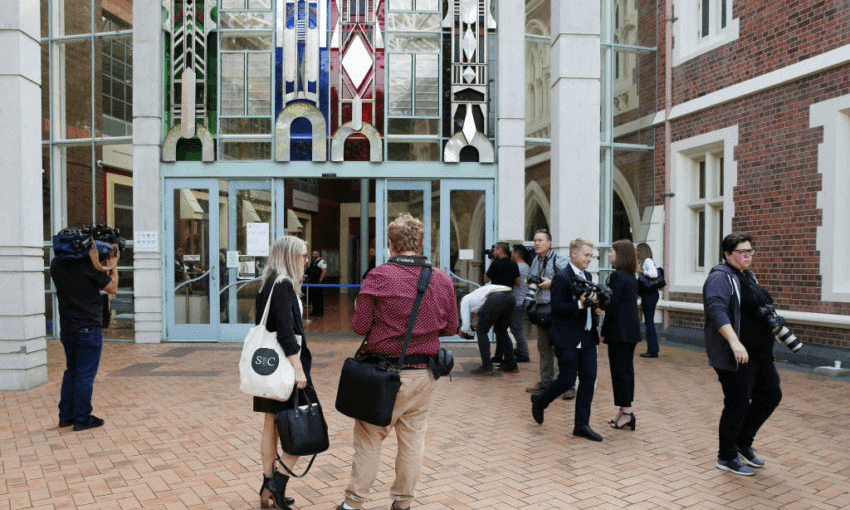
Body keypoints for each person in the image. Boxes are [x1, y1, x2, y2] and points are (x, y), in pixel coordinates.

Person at [337, 214, 457, 510]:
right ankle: (402, 502)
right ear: (419, 243)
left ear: (391, 244)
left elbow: (360, 325)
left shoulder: (379, 276)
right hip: (423, 374)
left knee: (368, 439)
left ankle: (354, 503)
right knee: (413, 440)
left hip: (381, 371)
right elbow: (451, 327)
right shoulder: (441, 279)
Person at [704, 232, 783, 476]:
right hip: (736, 353)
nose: (748, 256)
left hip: (760, 353)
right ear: (728, 254)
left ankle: (742, 443)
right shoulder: (720, 277)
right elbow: (716, 310)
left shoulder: (747, 276)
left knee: (771, 395)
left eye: (750, 251)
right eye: (742, 252)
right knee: (737, 403)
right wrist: (734, 341)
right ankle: (726, 456)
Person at [255, 235, 314, 508]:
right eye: (302, 255)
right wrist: (299, 368)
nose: (306, 260)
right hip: (285, 367)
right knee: (303, 426)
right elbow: (286, 333)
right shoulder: (284, 285)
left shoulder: (267, 282)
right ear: (290, 256)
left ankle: (268, 487)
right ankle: (275, 484)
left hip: (268, 367)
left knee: (271, 423)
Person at [530, 238, 604, 441]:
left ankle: (581, 425)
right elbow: (558, 309)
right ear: (574, 254)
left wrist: (596, 308)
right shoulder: (562, 277)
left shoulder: (587, 276)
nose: (590, 259)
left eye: (591, 255)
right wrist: (579, 305)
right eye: (586, 255)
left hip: (588, 337)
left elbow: (588, 305)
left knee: (588, 381)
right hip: (568, 338)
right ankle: (540, 400)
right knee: (567, 379)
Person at [51, 236, 120, 431]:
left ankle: (66, 416)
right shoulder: (89, 267)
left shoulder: (56, 264)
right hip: (88, 328)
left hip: (67, 328)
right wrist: (112, 265)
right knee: (84, 374)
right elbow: (112, 288)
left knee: (71, 370)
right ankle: (82, 418)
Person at [600, 239, 641, 431]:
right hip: (629, 332)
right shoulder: (630, 276)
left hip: (620, 332)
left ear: (621, 255)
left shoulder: (618, 276)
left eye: (612, 252)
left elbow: (612, 307)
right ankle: (624, 411)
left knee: (620, 372)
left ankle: (626, 413)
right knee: (625, 371)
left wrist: (603, 331)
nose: (609, 255)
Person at [524, 229, 569, 394]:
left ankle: (566, 384)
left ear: (549, 243)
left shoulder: (559, 259)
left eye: (540, 240)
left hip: (557, 309)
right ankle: (546, 381)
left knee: (560, 348)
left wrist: (552, 283)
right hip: (542, 309)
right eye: (535, 240)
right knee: (543, 348)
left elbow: (570, 280)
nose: (536, 243)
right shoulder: (535, 260)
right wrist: (530, 283)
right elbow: (532, 277)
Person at [470, 242, 520, 375]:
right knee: (502, 331)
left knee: (481, 329)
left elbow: (485, 279)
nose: (493, 252)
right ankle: (511, 364)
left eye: (495, 250)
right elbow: (518, 282)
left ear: (499, 250)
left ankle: (487, 366)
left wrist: (492, 263)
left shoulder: (496, 264)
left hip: (496, 298)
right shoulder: (513, 264)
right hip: (510, 298)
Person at [493, 244, 532, 363]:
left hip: (517, 302)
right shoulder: (525, 266)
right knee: (514, 328)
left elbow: (516, 282)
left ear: (517, 254)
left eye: (512, 252)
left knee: (516, 329)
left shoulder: (519, 267)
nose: (510, 255)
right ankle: (520, 350)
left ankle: (524, 354)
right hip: (519, 301)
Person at [637, 242, 661, 358]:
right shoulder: (645, 261)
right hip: (649, 295)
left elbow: (654, 274)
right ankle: (653, 348)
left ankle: (652, 350)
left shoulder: (647, 261)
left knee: (649, 322)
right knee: (649, 321)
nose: (636, 253)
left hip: (650, 295)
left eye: (638, 250)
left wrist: (642, 271)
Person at [305, 249, 327, 316]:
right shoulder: (313, 262)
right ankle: (314, 311)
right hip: (312, 282)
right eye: (313, 254)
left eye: (315, 254)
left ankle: (320, 311)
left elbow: (324, 271)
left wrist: (320, 280)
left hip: (318, 282)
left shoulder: (322, 262)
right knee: (313, 297)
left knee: (319, 297)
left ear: (318, 254)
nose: (313, 255)